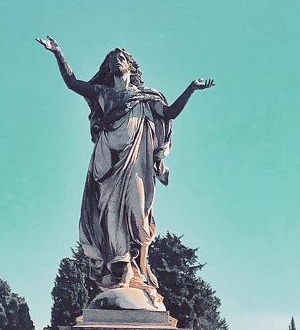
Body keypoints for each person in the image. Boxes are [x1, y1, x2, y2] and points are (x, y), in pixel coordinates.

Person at [37, 37, 213, 302]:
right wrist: (58, 53)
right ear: (109, 68)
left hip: (135, 161)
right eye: (112, 59)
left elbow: (170, 113)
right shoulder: (103, 93)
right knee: (107, 211)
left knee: (138, 211)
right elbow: (73, 83)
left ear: (131, 65)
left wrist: (190, 88)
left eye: (121, 58)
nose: (117, 60)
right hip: (107, 159)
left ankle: (139, 269)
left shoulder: (146, 97)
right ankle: (119, 263)